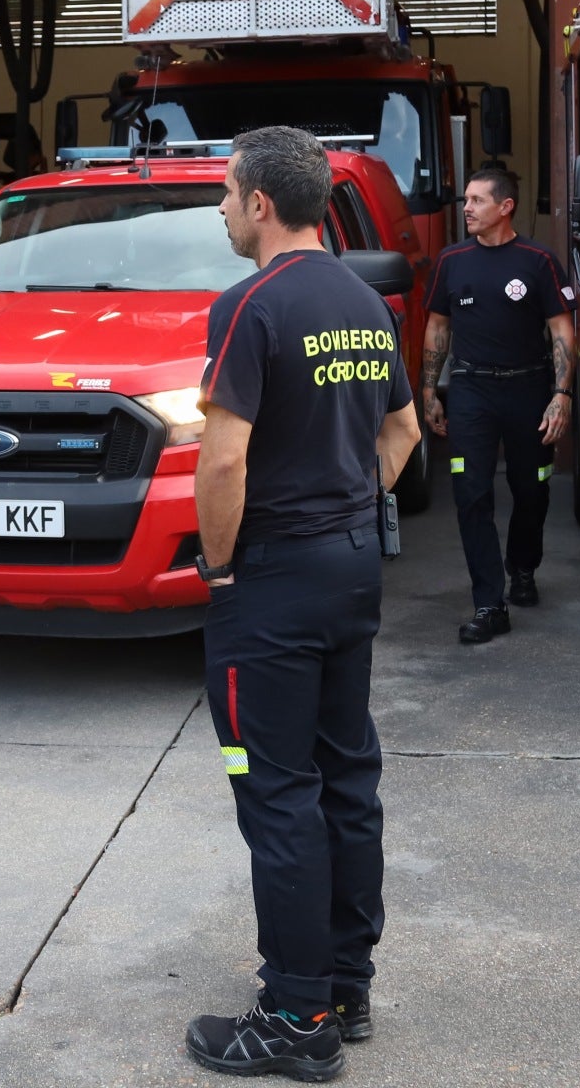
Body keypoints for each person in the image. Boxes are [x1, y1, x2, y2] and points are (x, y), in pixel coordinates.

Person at [186, 125, 423, 1079]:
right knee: (346, 778)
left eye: (227, 194)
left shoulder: (251, 306)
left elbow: (224, 457)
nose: (222, 210)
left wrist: (220, 565)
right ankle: (344, 985)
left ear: (260, 204)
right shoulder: (365, 302)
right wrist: (352, 508)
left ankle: (294, 1018)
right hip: (351, 567)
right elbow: (402, 428)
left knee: (278, 794)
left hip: (273, 581)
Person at [420, 166, 575, 643]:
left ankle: (522, 567)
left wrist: (561, 394)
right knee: (471, 493)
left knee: (532, 490)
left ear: (505, 207)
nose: (465, 208)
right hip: (471, 392)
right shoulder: (451, 260)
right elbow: (438, 328)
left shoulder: (538, 261)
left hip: (529, 389)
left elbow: (562, 330)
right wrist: (428, 391)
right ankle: (490, 603)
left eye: (476, 200)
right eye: (465, 199)